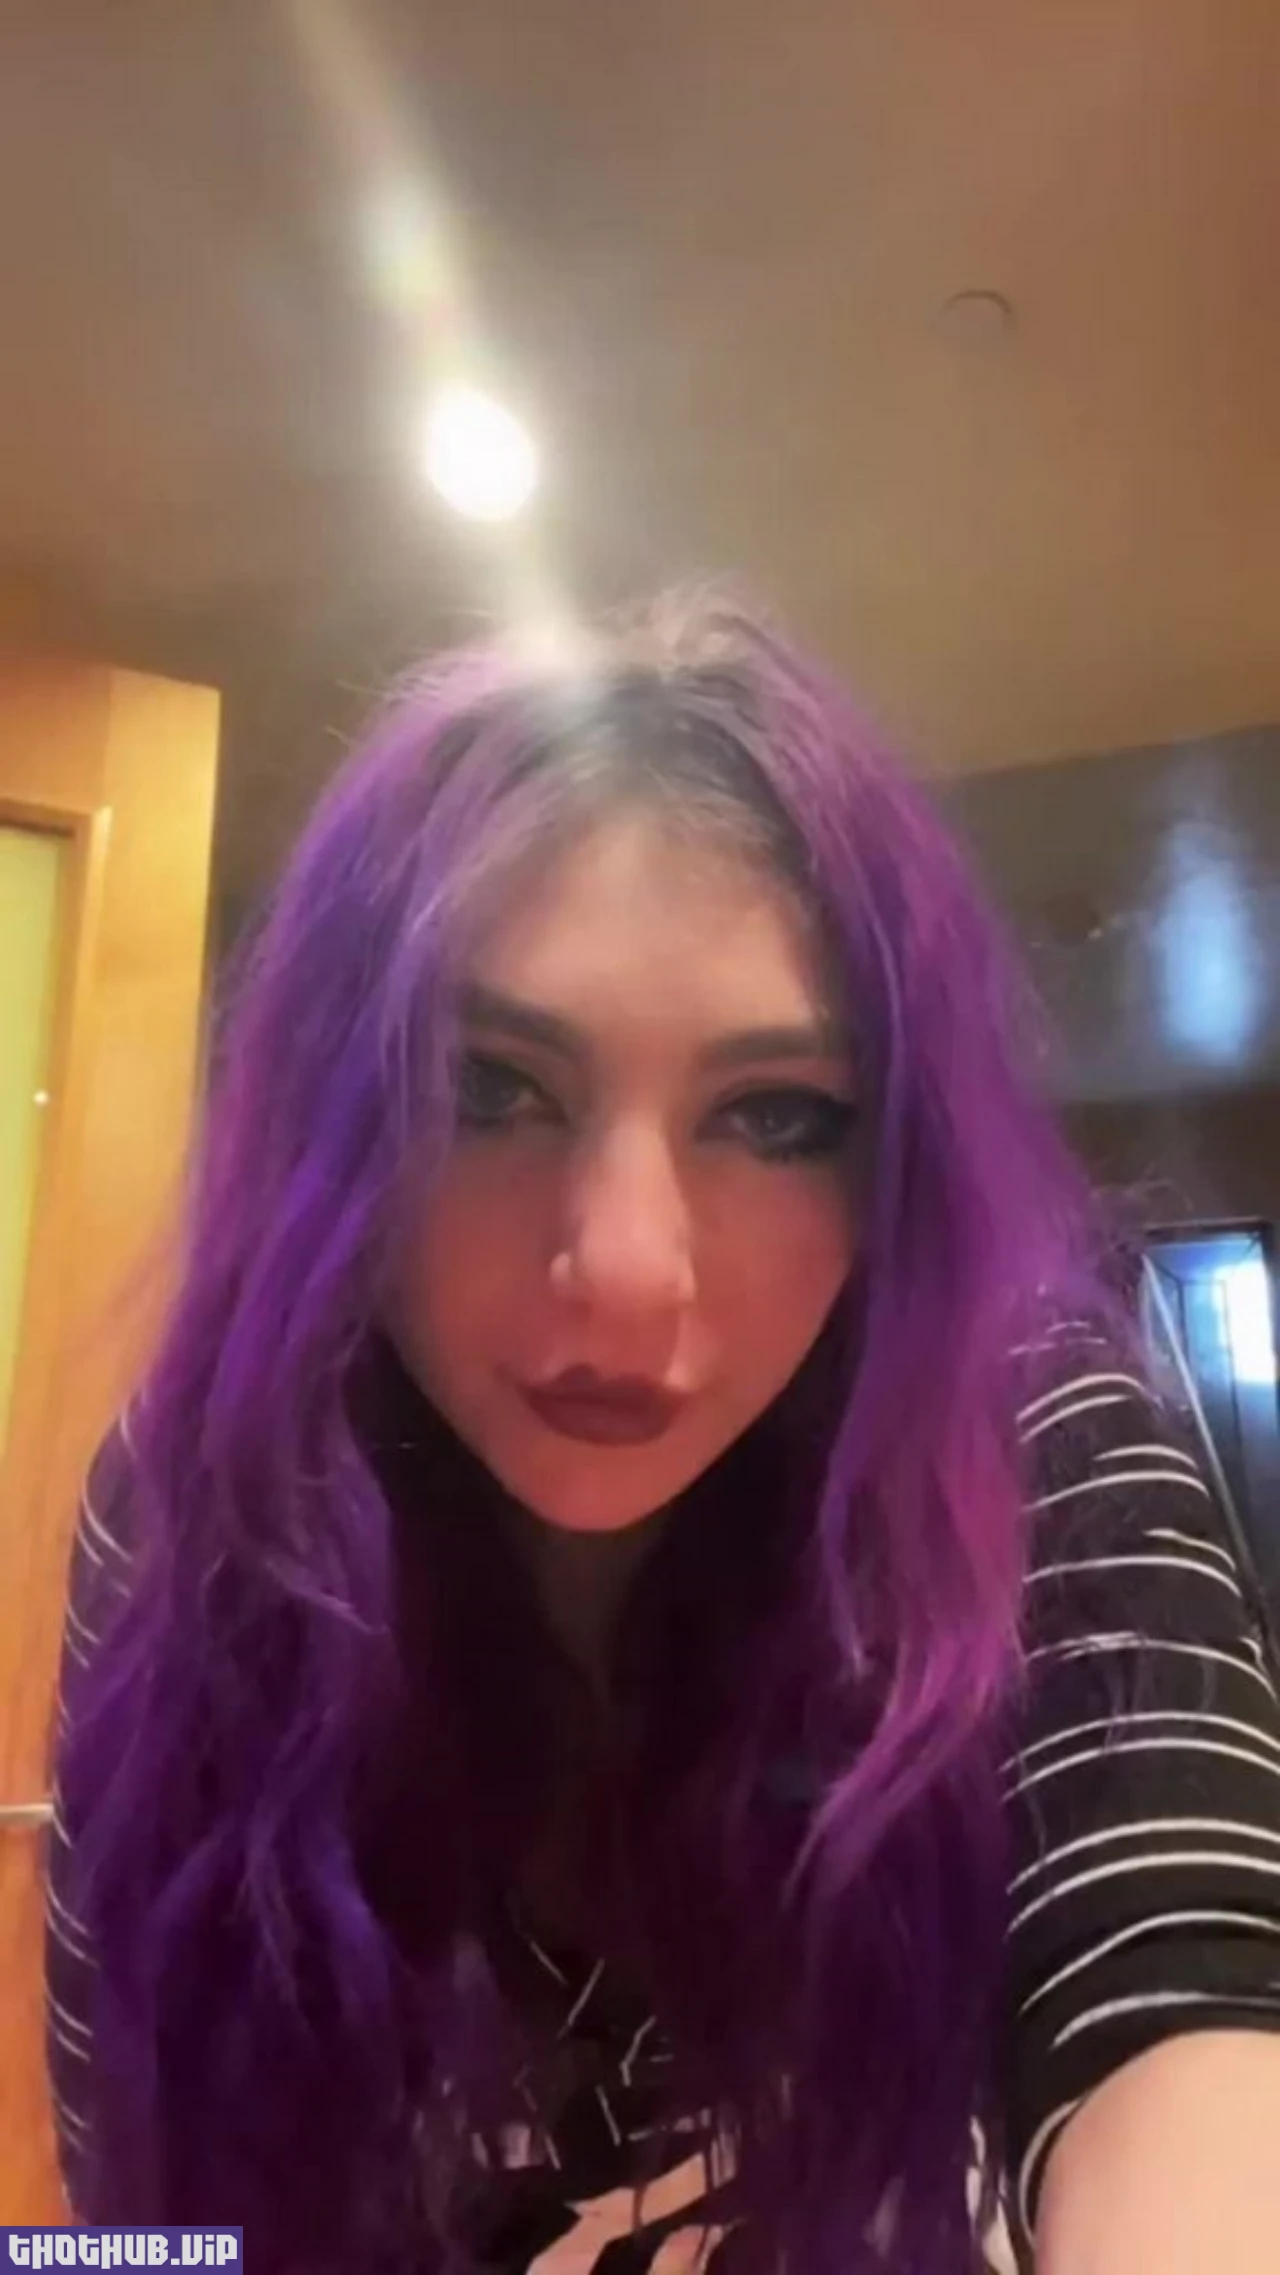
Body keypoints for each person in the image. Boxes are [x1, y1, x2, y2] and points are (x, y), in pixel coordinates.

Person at [47, 596, 1280, 2275]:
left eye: (777, 1116)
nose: (627, 1271)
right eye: (488, 1088)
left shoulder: (1007, 1425)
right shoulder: (208, 1500)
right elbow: (142, 2214)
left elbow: (1181, 1969)